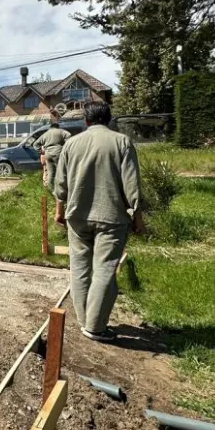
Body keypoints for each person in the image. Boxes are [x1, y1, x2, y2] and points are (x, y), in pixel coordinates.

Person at [54, 103, 144, 341]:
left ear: (86, 121)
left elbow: (60, 184)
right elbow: (131, 185)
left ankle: (85, 320)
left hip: (77, 216)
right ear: (109, 119)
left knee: (80, 268)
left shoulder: (71, 144)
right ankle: (95, 327)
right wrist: (138, 217)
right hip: (111, 217)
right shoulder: (121, 142)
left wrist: (59, 211)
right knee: (104, 268)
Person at [34, 120, 70, 190]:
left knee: (50, 173)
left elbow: (35, 144)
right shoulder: (61, 131)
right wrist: (66, 145)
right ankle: (61, 189)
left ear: (50, 127)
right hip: (58, 154)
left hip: (48, 155)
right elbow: (69, 136)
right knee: (61, 172)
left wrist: (40, 151)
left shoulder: (46, 134)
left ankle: (50, 189)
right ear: (57, 127)